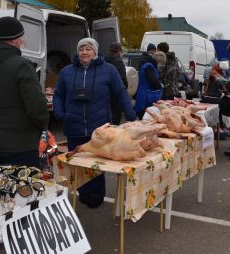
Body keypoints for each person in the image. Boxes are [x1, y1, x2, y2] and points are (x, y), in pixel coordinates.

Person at [53, 38, 136, 207]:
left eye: (88, 49)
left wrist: (131, 116)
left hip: (99, 131)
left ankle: (96, 196)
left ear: (95, 52)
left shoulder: (109, 70)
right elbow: (58, 94)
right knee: (78, 163)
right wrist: (60, 113)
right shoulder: (67, 71)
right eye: (81, 49)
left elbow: (121, 92)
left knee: (96, 165)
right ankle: (83, 193)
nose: (84, 52)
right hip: (74, 126)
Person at [0, 16, 49, 167]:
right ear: (14, 40)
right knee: (24, 188)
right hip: (21, 145)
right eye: (21, 37)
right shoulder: (21, 65)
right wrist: (43, 126)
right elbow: (36, 107)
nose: (22, 41)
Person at [134, 51, 166, 119]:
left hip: (145, 95)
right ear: (158, 61)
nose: (162, 65)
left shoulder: (149, 66)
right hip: (145, 98)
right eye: (162, 63)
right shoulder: (149, 67)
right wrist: (160, 85)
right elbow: (154, 82)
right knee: (145, 120)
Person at [105, 42, 128, 125]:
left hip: (105, 92)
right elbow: (122, 78)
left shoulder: (104, 60)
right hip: (116, 93)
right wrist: (124, 89)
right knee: (116, 115)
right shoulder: (118, 61)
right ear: (118, 51)